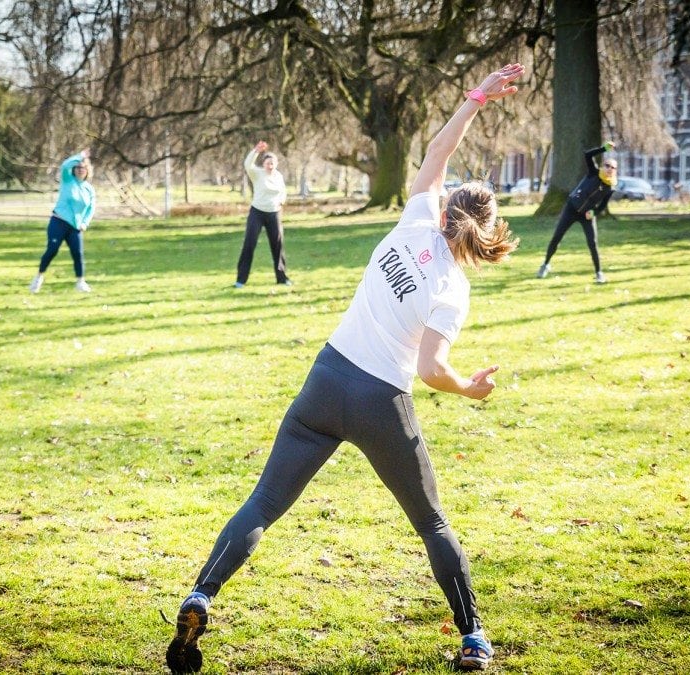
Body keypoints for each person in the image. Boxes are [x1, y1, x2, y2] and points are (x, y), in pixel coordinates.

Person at [163, 62, 525, 674]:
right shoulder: (454, 289)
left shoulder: (412, 220)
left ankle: (202, 593)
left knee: (265, 501)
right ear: (482, 231)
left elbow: (438, 149)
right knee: (432, 522)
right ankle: (472, 637)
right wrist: (469, 388)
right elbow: (434, 370)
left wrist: (475, 99)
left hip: (326, 379)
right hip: (382, 400)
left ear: (444, 210)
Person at [536, 142, 617, 284]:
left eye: (613, 167)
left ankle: (599, 273)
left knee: (592, 243)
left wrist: (593, 213)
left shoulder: (609, 188)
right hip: (571, 209)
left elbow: (602, 206)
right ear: (603, 166)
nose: (610, 169)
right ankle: (545, 264)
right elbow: (587, 155)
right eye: (607, 165)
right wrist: (603, 148)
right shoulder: (593, 172)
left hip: (586, 215)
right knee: (557, 237)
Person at [29, 149, 96, 293]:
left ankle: (80, 282)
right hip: (58, 221)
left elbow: (91, 208)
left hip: (75, 226)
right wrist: (80, 156)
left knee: (78, 254)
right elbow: (65, 165)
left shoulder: (89, 189)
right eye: (77, 167)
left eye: (82, 167)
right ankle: (38, 277)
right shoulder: (67, 180)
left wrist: (85, 223)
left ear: (87, 170)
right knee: (52, 250)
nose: (80, 170)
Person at [234, 140, 290, 288]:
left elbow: (283, 191)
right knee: (249, 244)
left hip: (274, 213)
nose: (270, 166)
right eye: (267, 163)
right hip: (257, 213)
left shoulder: (278, 176)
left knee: (278, 245)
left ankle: (282, 278)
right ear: (263, 164)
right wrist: (256, 151)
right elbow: (247, 165)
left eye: (272, 163)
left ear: (276, 164)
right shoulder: (257, 174)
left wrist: (281, 202)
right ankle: (240, 280)